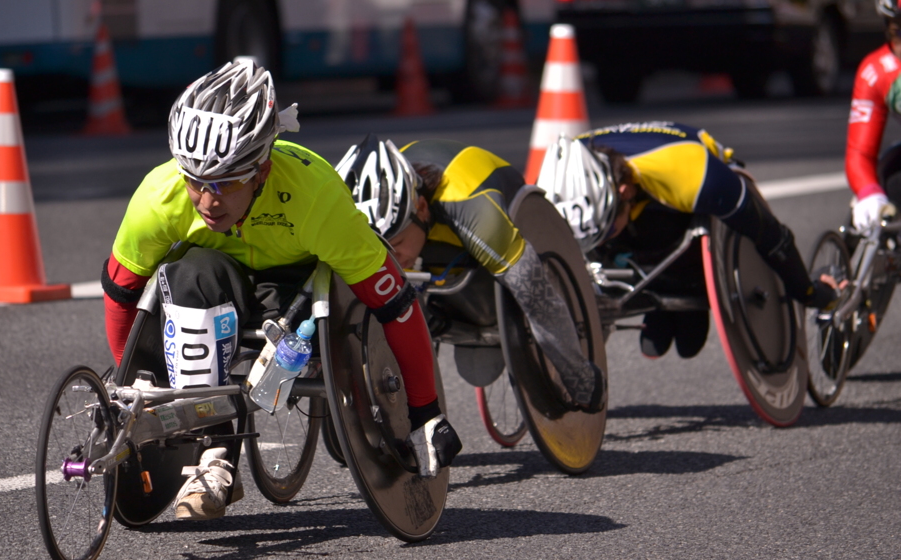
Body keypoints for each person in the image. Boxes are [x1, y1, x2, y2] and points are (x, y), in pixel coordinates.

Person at [101, 59, 460, 520]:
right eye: (195, 181)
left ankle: (227, 423)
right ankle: (214, 454)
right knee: (188, 275)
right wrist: (130, 389)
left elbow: (395, 306)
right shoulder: (160, 195)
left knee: (271, 324)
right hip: (216, 277)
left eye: (227, 182)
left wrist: (424, 412)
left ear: (262, 170)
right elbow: (121, 295)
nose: (208, 201)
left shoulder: (316, 197)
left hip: (293, 284)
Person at [335, 135, 607, 414]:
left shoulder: (470, 207)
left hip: (486, 206)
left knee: (528, 286)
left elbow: (539, 296)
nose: (392, 257)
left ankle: (581, 374)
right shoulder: (378, 216)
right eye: (384, 247)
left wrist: (580, 379)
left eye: (398, 245)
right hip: (433, 231)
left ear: (422, 208)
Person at [536, 122, 838, 359]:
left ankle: (682, 278)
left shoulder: (696, 176)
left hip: (690, 176)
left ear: (625, 191)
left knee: (686, 338)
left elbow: (773, 237)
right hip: (638, 189)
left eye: (606, 230)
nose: (602, 240)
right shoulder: (564, 176)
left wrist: (809, 292)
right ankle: (650, 273)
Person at [846, 0, 901, 233]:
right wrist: (869, 193)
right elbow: (860, 152)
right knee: (886, 175)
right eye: (897, 31)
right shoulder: (876, 71)